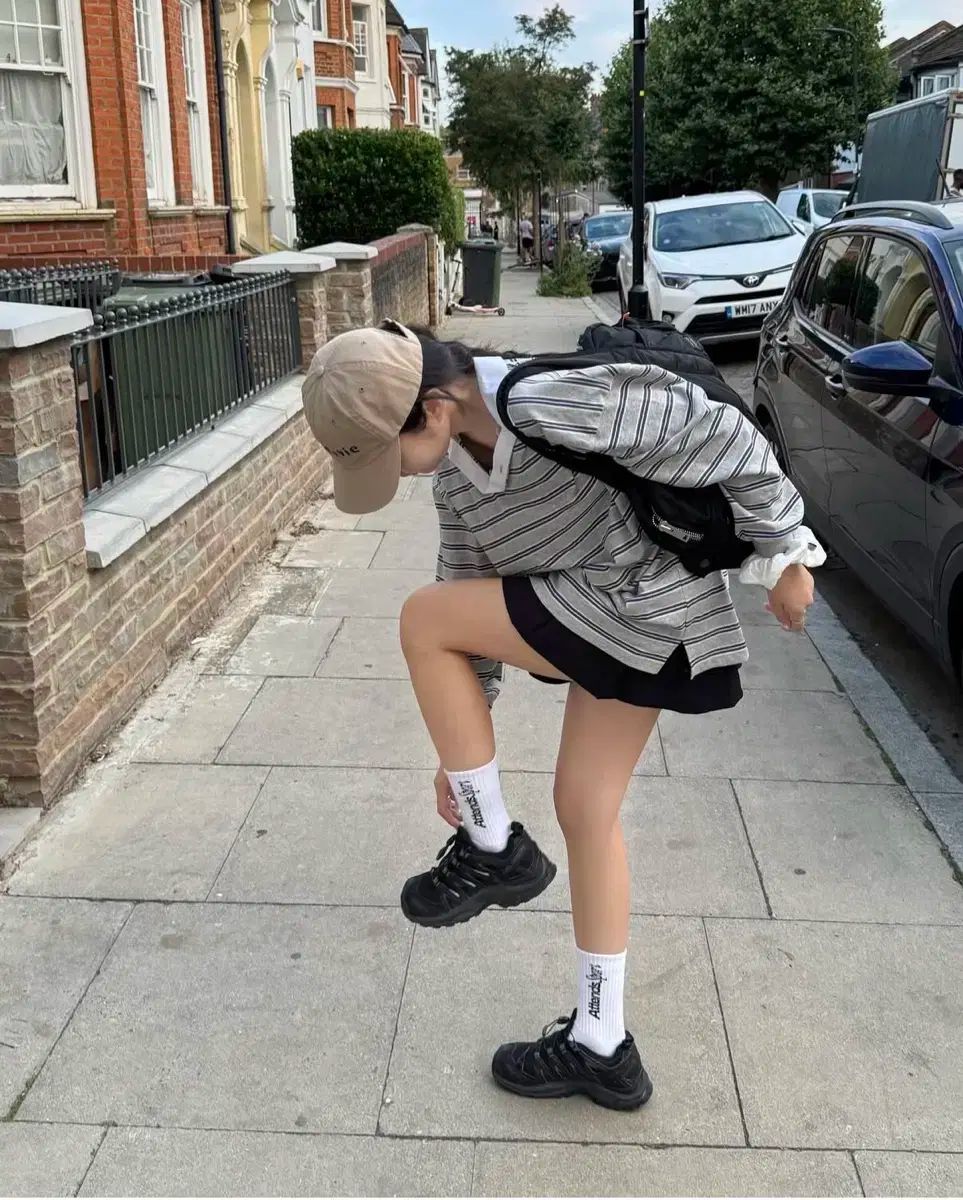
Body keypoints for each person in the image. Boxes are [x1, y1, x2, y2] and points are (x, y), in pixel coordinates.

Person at [302, 320, 820, 1111]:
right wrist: (458, 757)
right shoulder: (455, 481)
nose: (395, 474)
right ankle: (601, 1046)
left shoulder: (546, 399)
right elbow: (466, 592)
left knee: (419, 618)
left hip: (646, 606)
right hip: (622, 625)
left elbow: (719, 433)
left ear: (433, 407)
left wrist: (785, 553)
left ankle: (493, 850)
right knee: (583, 810)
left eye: (388, 454)